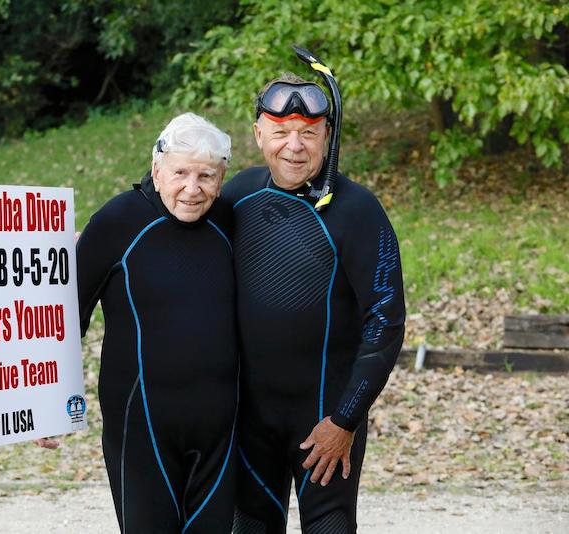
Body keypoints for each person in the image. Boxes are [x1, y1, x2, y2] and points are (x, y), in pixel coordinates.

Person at [223, 68, 405, 533]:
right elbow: (179, 233)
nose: (294, 146)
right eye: (281, 132)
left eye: (308, 133)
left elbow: (385, 323)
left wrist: (345, 420)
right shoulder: (238, 195)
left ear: (328, 136)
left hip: (326, 419)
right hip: (249, 423)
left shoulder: (357, 210)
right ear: (258, 134)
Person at [76, 112, 239, 533]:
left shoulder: (230, 221)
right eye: (180, 173)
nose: (192, 188)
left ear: (221, 179)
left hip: (221, 433)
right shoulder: (117, 221)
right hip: (140, 427)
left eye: (206, 176)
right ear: (156, 169)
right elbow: (65, 318)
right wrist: (49, 405)